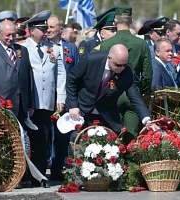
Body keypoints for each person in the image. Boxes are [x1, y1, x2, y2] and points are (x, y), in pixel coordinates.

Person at [21, 10, 66, 188]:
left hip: (47, 101)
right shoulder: (23, 48)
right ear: (31, 30)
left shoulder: (53, 49)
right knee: (28, 139)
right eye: (41, 29)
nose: (45, 32)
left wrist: (60, 96)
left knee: (43, 139)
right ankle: (25, 175)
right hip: (30, 102)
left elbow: (61, 73)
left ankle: (39, 176)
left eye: (46, 28)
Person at [66, 44, 153, 135]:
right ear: (109, 58)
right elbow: (71, 79)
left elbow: (135, 96)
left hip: (107, 114)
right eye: (118, 65)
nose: (121, 68)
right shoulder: (91, 60)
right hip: (81, 110)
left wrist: (146, 119)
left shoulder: (128, 73)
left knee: (111, 145)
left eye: (124, 65)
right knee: (76, 140)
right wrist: (73, 105)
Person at [99, 5, 152, 144]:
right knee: (131, 137)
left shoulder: (106, 44)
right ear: (132, 20)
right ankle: (130, 164)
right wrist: (142, 91)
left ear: (115, 21)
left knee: (110, 135)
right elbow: (147, 74)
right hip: (132, 96)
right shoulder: (141, 44)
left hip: (111, 93)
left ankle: (113, 163)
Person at [46, 15, 79, 182]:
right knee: (46, 135)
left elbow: (77, 72)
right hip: (47, 98)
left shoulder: (71, 48)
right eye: (47, 27)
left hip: (66, 99)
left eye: (52, 27)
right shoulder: (43, 46)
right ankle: (45, 165)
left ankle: (57, 168)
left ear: (60, 29)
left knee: (61, 135)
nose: (48, 30)